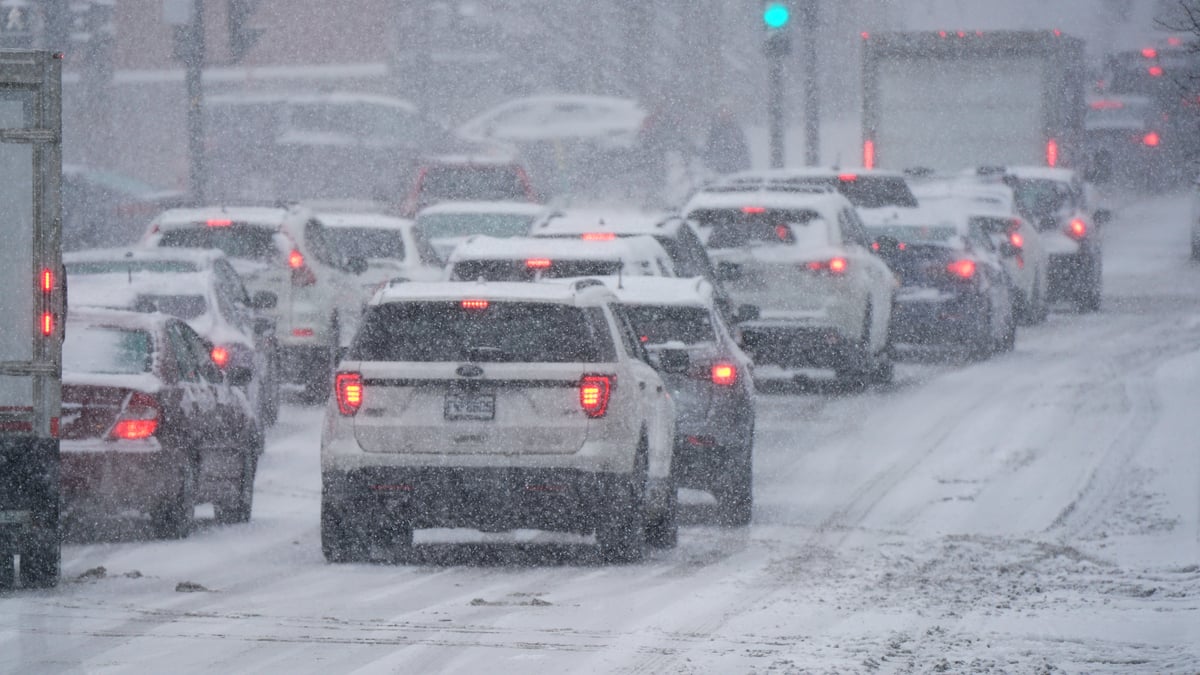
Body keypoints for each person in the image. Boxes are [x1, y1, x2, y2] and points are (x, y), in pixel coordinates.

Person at [702, 105, 751, 175]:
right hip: (718, 172)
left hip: (735, 171)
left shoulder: (737, 132)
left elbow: (743, 152)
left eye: (727, 112)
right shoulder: (714, 131)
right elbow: (708, 152)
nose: (725, 115)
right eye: (722, 113)